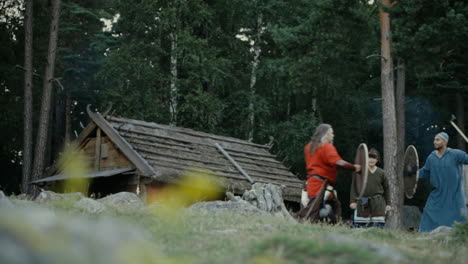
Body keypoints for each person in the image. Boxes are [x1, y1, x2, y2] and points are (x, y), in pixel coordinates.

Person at [298, 123, 361, 223]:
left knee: (334, 206)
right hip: (319, 185)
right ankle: (305, 227)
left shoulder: (308, 147)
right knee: (312, 212)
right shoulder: (326, 147)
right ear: (326, 134)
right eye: (331, 133)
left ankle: (331, 226)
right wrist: (354, 167)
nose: (333, 135)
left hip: (312, 183)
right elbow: (339, 163)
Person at [418, 132, 468, 232]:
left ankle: (458, 236)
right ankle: (426, 236)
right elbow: (425, 172)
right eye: (434, 139)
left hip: (455, 193)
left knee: (459, 215)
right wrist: (413, 172)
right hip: (438, 193)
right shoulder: (431, 157)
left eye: (437, 140)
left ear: (445, 142)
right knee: (429, 211)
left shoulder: (455, 154)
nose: (434, 142)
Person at [349, 148, 391, 228]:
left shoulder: (382, 173)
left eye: (373, 157)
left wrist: (388, 203)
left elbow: (387, 188)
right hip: (362, 203)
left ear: (377, 160)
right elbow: (354, 186)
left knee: (378, 229)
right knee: (359, 228)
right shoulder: (360, 172)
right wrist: (353, 201)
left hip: (378, 203)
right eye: (369, 157)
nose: (371, 160)